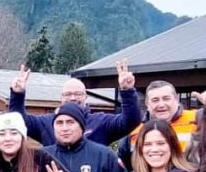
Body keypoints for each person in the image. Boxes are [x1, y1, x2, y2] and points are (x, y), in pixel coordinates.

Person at [8, 60, 141, 146]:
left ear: (85, 96)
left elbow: (130, 121)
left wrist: (127, 91)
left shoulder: (101, 122)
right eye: (68, 94)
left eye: (78, 94)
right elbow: (17, 121)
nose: (72, 98)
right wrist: (17, 94)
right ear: (61, 97)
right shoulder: (46, 123)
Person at [117, 80, 200, 170]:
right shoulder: (135, 128)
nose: (161, 105)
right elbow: (125, 163)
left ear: (176, 100)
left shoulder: (197, 119)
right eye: (155, 100)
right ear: (147, 104)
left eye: (166, 99)